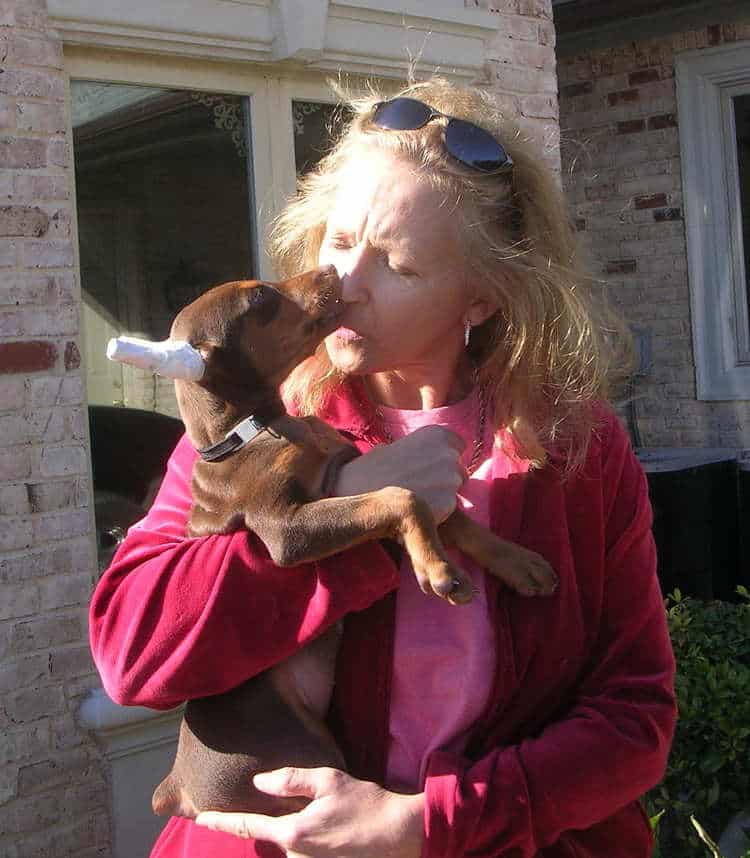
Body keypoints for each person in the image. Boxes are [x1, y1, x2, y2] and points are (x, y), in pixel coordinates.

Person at [89, 77, 677, 858]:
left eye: (396, 265)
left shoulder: (578, 449)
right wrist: (350, 502)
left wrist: (429, 824)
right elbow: (132, 656)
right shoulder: (262, 426)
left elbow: (634, 717)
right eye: (338, 240)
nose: (344, 284)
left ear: (482, 299)